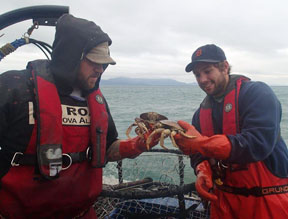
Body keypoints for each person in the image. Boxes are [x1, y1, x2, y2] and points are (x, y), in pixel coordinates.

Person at [0, 14, 157, 218]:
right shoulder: (13, 88)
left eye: (104, 64)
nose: (100, 69)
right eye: (94, 62)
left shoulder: (97, 101)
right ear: (70, 57)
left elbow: (107, 148)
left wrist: (137, 145)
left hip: (82, 213)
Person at [174, 44, 288, 218]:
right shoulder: (200, 114)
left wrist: (200, 144)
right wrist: (202, 169)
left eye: (207, 71)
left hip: (267, 200)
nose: (202, 79)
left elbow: (258, 144)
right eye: (197, 74)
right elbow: (198, 153)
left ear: (224, 67)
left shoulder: (257, 94)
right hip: (222, 203)